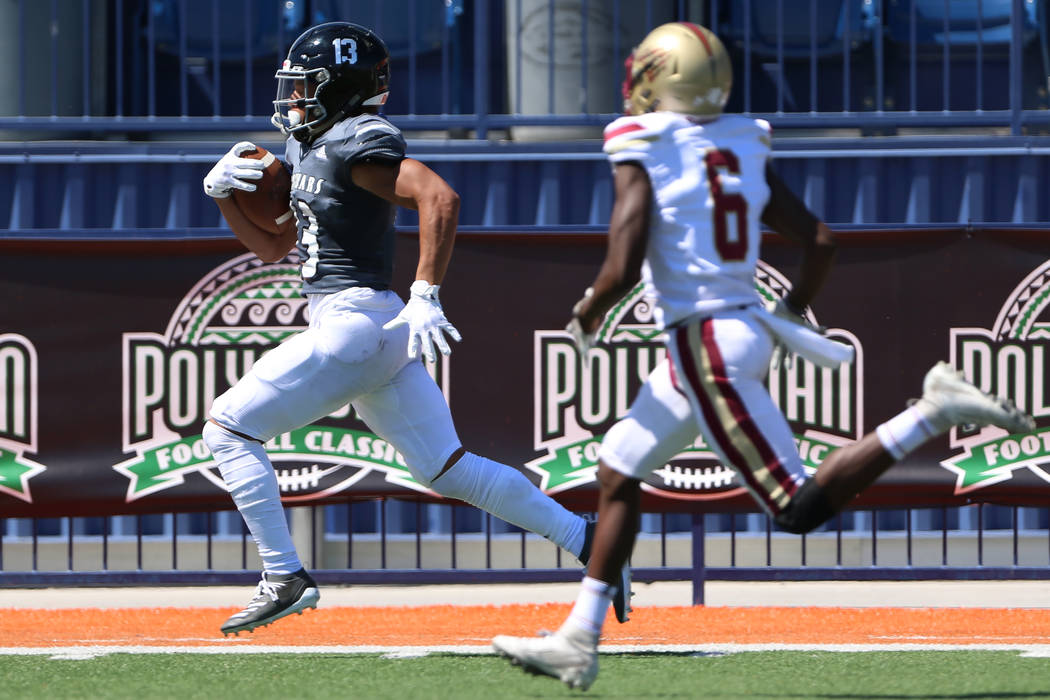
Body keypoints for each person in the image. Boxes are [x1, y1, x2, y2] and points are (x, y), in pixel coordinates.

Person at [491, 21, 1035, 690]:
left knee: (796, 507)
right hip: (726, 333)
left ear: (656, 78)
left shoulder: (646, 143)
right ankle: (579, 636)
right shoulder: (741, 141)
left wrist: (589, 308)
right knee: (617, 469)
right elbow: (822, 241)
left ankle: (931, 411)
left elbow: (625, 257)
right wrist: (785, 312)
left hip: (703, 344)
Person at [200, 21, 630, 636]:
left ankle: (283, 574)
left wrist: (426, 292)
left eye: (305, 87)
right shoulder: (315, 147)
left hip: (352, 323)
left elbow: (439, 197)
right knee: (448, 470)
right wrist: (220, 196)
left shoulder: (356, 142)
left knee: (227, 429)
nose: (292, 99)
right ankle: (587, 539)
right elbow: (274, 246)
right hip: (365, 331)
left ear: (341, 90)